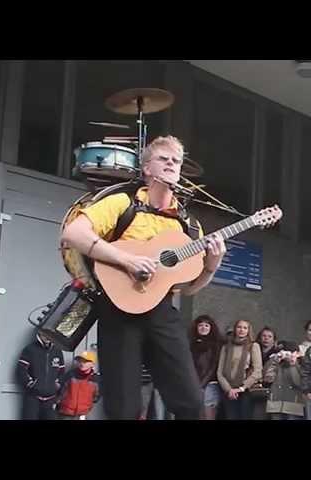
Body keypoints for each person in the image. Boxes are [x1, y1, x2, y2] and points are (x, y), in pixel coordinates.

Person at [60, 135, 227, 420]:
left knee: (190, 400)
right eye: (164, 159)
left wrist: (211, 266)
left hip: (161, 310)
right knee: (123, 408)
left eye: (176, 160)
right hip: (118, 308)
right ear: (147, 168)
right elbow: (73, 233)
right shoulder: (122, 202)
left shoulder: (187, 224)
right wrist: (127, 260)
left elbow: (188, 289)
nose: (172, 164)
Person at [217, 319, 262, 420]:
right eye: (239, 327)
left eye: (245, 328)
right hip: (229, 391)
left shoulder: (253, 346)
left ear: (248, 330)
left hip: (246, 390)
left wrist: (242, 388)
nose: (241, 330)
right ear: (235, 329)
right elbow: (220, 372)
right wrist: (229, 389)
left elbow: (258, 370)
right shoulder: (226, 347)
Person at [17, 332, 65, 420]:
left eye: (48, 334)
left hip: (50, 399)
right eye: (44, 334)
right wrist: (31, 384)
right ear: (39, 334)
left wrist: (57, 385)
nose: (47, 337)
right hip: (32, 398)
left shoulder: (57, 351)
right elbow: (21, 370)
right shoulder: (30, 349)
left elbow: (62, 372)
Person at [191, 315, 223, 420]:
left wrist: (202, 384)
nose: (203, 328)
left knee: (207, 414)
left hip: (210, 384)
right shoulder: (191, 343)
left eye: (206, 325)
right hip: (193, 383)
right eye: (200, 325)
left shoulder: (216, 344)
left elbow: (213, 366)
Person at [263, 341, 305, 420]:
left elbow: (298, 382)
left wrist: (293, 364)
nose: (286, 356)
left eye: (289, 353)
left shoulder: (301, 364)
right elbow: (267, 379)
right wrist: (274, 361)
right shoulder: (276, 363)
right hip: (276, 404)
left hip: (293, 405)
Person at [56, 351, 100, 420]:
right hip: (66, 412)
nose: (82, 363)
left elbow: (96, 397)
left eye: (85, 361)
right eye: (80, 361)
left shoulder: (95, 379)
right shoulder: (70, 374)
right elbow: (59, 390)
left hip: (83, 414)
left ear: (92, 364)